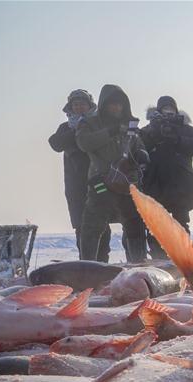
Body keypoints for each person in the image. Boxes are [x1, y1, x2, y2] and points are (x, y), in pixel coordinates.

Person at [76, 84, 149, 263]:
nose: (116, 107)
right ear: (104, 104)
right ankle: (87, 267)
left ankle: (138, 266)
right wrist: (111, 131)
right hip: (100, 182)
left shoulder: (130, 125)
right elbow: (84, 143)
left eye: (120, 104)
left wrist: (142, 154)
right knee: (92, 226)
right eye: (112, 104)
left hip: (127, 184)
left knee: (135, 225)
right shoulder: (90, 124)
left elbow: (138, 146)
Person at [139, 96, 193, 258]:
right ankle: (158, 257)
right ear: (158, 111)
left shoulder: (186, 129)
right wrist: (155, 133)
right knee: (155, 225)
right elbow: (138, 147)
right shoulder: (148, 129)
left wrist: (177, 139)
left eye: (171, 110)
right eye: (165, 110)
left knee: (181, 224)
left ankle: (184, 257)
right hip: (155, 185)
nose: (168, 114)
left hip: (180, 186)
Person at [49, 89, 109, 259]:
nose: (79, 107)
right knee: (81, 225)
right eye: (75, 105)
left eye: (82, 104)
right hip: (76, 186)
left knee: (102, 221)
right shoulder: (66, 128)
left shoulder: (99, 125)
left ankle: (103, 263)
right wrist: (77, 129)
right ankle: (86, 262)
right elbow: (55, 143)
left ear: (89, 105)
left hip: (99, 182)